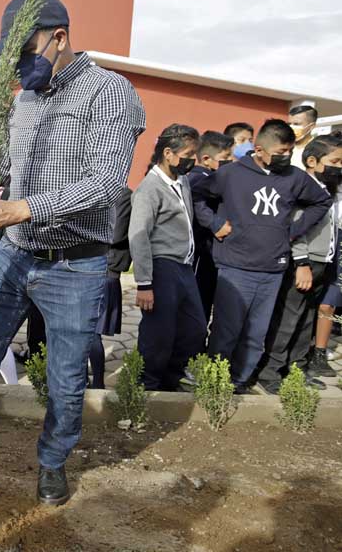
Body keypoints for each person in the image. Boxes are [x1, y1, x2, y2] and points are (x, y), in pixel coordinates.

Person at [0, 0, 145, 508]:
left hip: (76, 264)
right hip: (14, 257)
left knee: (63, 380)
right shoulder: (23, 100)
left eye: (25, 50)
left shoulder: (110, 92)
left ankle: (53, 463)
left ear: (60, 38)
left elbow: (106, 183)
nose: (17, 67)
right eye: (9, 57)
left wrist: (20, 209)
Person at [193, 119, 332, 393]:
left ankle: (240, 382)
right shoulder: (231, 174)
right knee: (226, 331)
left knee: (256, 334)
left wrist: (293, 230)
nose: (286, 157)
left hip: (273, 268)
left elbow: (321, 201)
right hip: (235, 265)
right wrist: (214, 223)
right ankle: (214, 383)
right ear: (258, 149)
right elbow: (196, 196)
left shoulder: (294, 176)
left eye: (289, 151)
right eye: (280, 152)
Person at [258, 135, 342, 393]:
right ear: (312, 161)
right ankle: (270, 372)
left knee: (306, 319)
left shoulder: (329, 189)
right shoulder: (303, 188)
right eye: (335, 161)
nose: (339, 167)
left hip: (322, 263)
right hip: (303, 265)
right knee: (288, 319)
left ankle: (296, 368)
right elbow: (294, 228)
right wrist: (302, 261)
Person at [129, 125, 206, 391]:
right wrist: (144, 283)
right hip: (162, 268)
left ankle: (171, 378)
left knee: (195, 329)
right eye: (188, 154)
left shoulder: (181, 181)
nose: (192, 161)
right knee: (159, 332)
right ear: (168, 153)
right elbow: (138, 236)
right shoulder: (149, 189)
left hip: (184, 268)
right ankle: (148, 384)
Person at [188, 131, 235, 321]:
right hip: (202, 250)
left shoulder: (194, 176)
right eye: (225, 158)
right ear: (206, 158)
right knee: (200, 299)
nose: (230, 161)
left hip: (202, 250)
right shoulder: (202, 180)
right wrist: (215, 223)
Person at [88, 186, 132, 389]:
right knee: (88, 330)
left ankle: (97, 383)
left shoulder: (121, 194)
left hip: (104, 267)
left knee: (91, 330)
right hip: (93, 264)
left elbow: (115, 234)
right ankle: (89, 379)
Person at [288, 105, 318, 170]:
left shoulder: (319, 150)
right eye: (289, 124)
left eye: (296, 124)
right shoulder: (282, 147)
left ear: (311, 126)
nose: (291, 127)